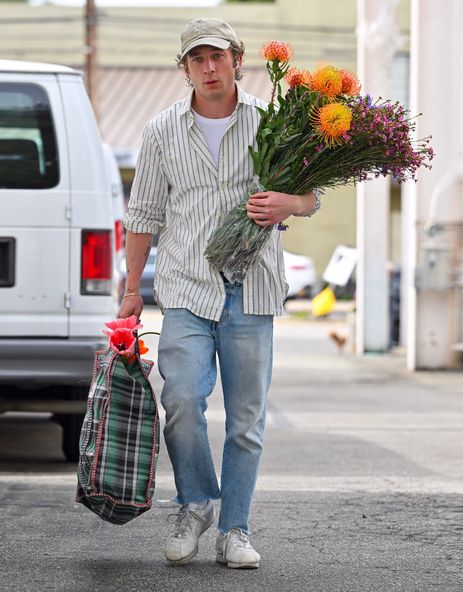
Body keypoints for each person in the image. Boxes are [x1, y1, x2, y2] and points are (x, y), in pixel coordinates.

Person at [119, 17, 320, 569]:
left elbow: (311, 195)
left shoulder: (272, 122)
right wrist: (132, 289)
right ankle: (196, 505)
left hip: (251, 291)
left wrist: (290, 204)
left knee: (246, 420)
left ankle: (236, 529)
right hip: (186, 287)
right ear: (185, 69)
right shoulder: (162, 130)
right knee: (181, 401)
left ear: (238, 59)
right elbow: (143, 216)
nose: (208, 68)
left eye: (217, 57)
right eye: (196, 59)